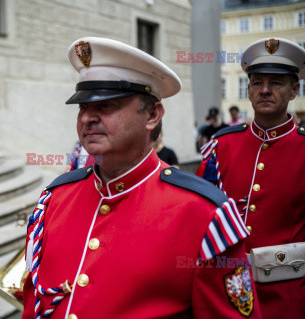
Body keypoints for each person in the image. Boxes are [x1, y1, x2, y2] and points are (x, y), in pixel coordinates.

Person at [22, 37, 261, 319]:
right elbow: (34, 302)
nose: (87, 118)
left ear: (153, 115)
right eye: (83, 107)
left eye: (107, 106)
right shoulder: (55, 198)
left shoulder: (204, 214)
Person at [196, 37, 305, 318]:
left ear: (295, 90)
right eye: (256, 82)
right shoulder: (221, 146)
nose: (264, 90)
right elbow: (197, 219)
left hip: (290, 297)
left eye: (276, 83)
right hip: (226, 293)